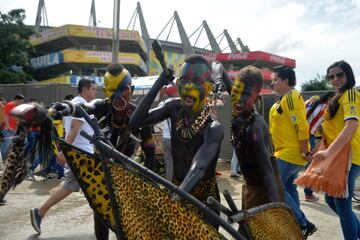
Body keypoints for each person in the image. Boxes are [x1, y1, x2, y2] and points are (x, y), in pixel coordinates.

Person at [129, 55, 224, 228]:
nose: (188, 87)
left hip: (204, 200)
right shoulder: (173, 108)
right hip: (177, 189)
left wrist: (175, 199)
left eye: (196, 81)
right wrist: (159, 83)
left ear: (208, 88)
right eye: (184, 80)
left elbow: (199, 167)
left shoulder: (213, 127)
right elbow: (135, 122)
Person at [91, 63, 156, 240]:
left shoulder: (140, 115)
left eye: (123, 89)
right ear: (106, 91)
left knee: (127, 221)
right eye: (113, 89)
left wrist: (147, 183)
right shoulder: (99, 108)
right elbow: (81, 108)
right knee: (101, 215)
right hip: (101, 174)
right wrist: (65, 108)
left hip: (128, 176)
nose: (118, 95)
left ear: (132, 89)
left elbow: (150, 151)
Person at [30, 79, 97, 234]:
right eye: (93, 89)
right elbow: (74, 128)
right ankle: (39, 212)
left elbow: (70, 130)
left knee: (88, 187)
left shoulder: (73, 104)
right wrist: (66, 151)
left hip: (81, 152)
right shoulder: (80, 104)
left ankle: (103, 219)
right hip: (81, 154)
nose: (95, 92)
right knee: (71, 186)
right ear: (85, 89)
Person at [215, 64, 283, 209]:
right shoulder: (240, 103)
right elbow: (218, 66)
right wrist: (218, 84)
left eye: (246, 95)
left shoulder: (254, 128)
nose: (238, 99)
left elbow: (268, 174)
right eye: (236, 92)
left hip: (264, 192)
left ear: (257, 98)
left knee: (255, 231)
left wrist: (278, 211)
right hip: (250, 188)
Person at [313, 60, 360, 240]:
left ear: (348, 75)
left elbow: (351, 126)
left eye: (340, 75)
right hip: (337, 157)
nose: (335, 79)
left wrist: (328, 153)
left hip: (348, 157)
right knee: (330, 200)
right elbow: (331, 132)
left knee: (341, 205)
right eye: (331, 76)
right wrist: (317, 150)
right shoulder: (337, 97)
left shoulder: (350, 94)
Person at [269, 65, 317, 239]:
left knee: (275, 186)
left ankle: (303, 223)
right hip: (285, 152)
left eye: (275, 80)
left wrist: (305, 151)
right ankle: (297, 226)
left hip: (290, 153)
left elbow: (302, 127)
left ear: (286, 81)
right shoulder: (283, 99)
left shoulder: (291, 97)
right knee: (289, 187)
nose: (272, 83)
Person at [303, 92, 334, 202]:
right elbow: (324, 127)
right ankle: (308, 193)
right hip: (308, 136)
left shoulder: (309, 103)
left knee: (298, 165)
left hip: (297, 136)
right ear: (330, 99)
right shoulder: (326, 108)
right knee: (312, 166)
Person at [158, 84, 178, 180]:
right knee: (180, 163)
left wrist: (160, 95)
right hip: (177, 139)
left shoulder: (162, 104)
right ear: (174, 92)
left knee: (169, 164)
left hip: (166, 138)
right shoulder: (179, 104)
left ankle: (169, 186)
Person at [1, 94, 25, 160]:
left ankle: (6, 160)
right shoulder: (9, 105)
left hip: (14, 129)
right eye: (21, 101)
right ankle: (2, 160)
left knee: (11, 145)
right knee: (6, 145)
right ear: (17, 100)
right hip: (8, 129)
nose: (21, 103)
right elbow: (6, 116)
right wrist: (8, 127)